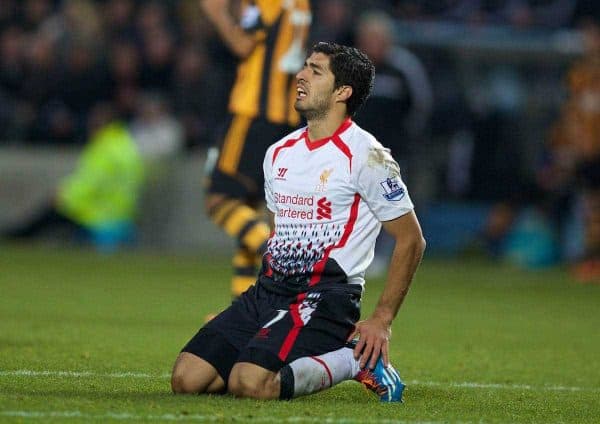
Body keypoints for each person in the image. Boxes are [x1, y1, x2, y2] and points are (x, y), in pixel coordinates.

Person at [171, 42, 426, 402]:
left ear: (343, 92)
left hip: (323, 296)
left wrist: (382, 319)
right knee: (187, 379)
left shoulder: (367, 156)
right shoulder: (279, 153)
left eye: (315, 71)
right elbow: (276, 237)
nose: (301, 76)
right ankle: (263, 342)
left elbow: (412, 240)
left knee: (251, 384)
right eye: (305, 67)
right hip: (268, 291)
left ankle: (356, 361)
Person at [199, 0, 313, 298]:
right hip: (286, 120)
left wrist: (217, 13)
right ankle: (244, 310)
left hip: (252, 115)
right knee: (248, 211)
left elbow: (243, 44)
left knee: (219, 200)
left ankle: (281, 258)